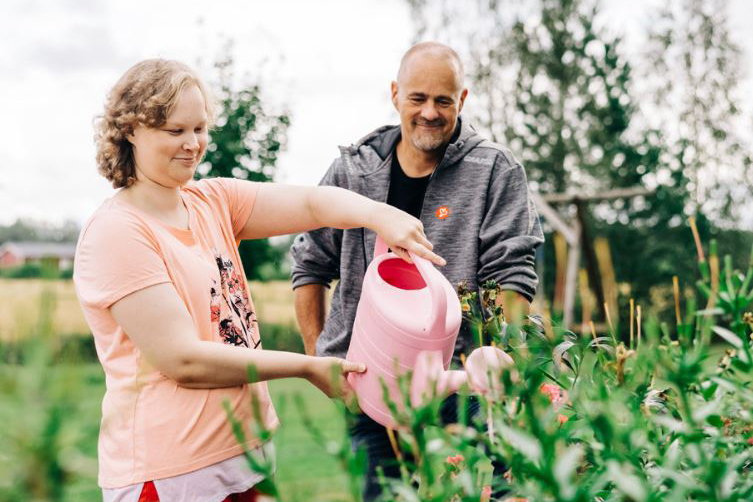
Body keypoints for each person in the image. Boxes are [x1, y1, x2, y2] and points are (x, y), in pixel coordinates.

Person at [73, 59, 444, 502]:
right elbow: (184, 361)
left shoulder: (210, 200)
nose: (193, 144)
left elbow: (310, 204)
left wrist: (379, 215)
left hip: (244, 454)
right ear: (130, 130)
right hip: (171, 474)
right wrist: (307, 367)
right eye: (175, 131)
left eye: (199, 128)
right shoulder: (118, 232)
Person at [290, 42, 544, 499]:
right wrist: (322, 361)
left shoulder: (495, 170)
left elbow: (512, 274)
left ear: (462, 101)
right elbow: (309, 264)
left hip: (468, 384)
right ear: (395, 95)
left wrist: (495, 357)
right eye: (418, 98)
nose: (430, 112)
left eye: (443, 100)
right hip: (371, 387)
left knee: (504, 492)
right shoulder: (353, 171)